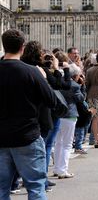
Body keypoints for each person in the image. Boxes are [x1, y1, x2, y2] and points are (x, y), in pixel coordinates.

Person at [0, 29, 57, 200]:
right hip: (27, 135)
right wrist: (43, 79)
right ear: (22, 48)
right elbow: (52, 100)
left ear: (4, 47)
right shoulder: (31, 71)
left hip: (1, 136)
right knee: (35, 188)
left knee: (1, 189)